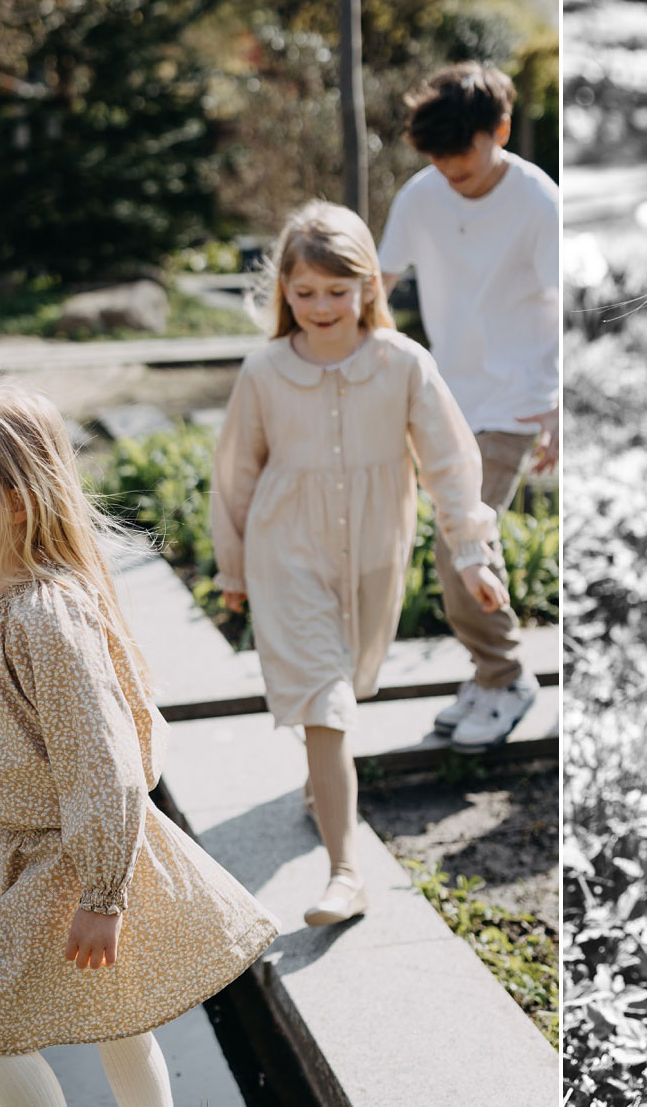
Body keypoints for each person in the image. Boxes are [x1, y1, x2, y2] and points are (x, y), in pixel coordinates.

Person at [0, 388, 279, 1107]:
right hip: (34, 845)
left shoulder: (45, 615)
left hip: (73, 854)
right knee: (116, 1014)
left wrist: (104, 893)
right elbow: (2, 716)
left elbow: (101, 761)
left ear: (15, 502)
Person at [212, 200, 508, 927]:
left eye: (337, 291)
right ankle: (347, 874)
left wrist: (474, 556)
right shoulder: (264, 371)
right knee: (327, 701)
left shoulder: (403, 364)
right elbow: (235, 478)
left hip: (375, 556)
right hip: (286, 555)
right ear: (283, 289)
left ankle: (324, 791)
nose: (320, 307)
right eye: (304, 291)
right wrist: (234, 571)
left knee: (346, 691)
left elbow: (450, 465)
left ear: (369, 286)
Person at [378, 60, 559, 751]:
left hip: (516, 400)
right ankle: (489, 676)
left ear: (501, 130)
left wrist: (558, 409)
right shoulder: (423, 194)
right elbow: (379, 284)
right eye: (439, 159)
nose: (453, 171)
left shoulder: (539, 203)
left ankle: (505, 675)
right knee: (458, 547)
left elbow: (568, 306)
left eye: (465, 155)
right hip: (446, 399)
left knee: (464, 547)